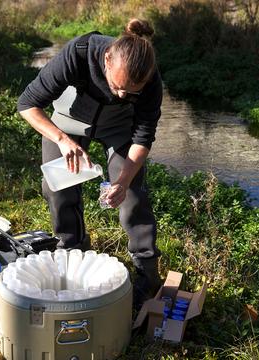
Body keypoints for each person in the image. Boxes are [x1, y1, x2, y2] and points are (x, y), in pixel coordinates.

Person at [17, 18, 163, 306]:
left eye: (131, 92)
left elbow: (142, 139)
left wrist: (122, 182)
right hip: (68, 123)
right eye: (118, 86)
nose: (122, 95)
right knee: (58, 188)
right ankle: (73, 250)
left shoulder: (150, 79)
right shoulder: (78, 53)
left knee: (132, 196)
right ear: (106, 60)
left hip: (119, 128)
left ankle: (147, 274)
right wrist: (61, 139)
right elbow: (27, 105)